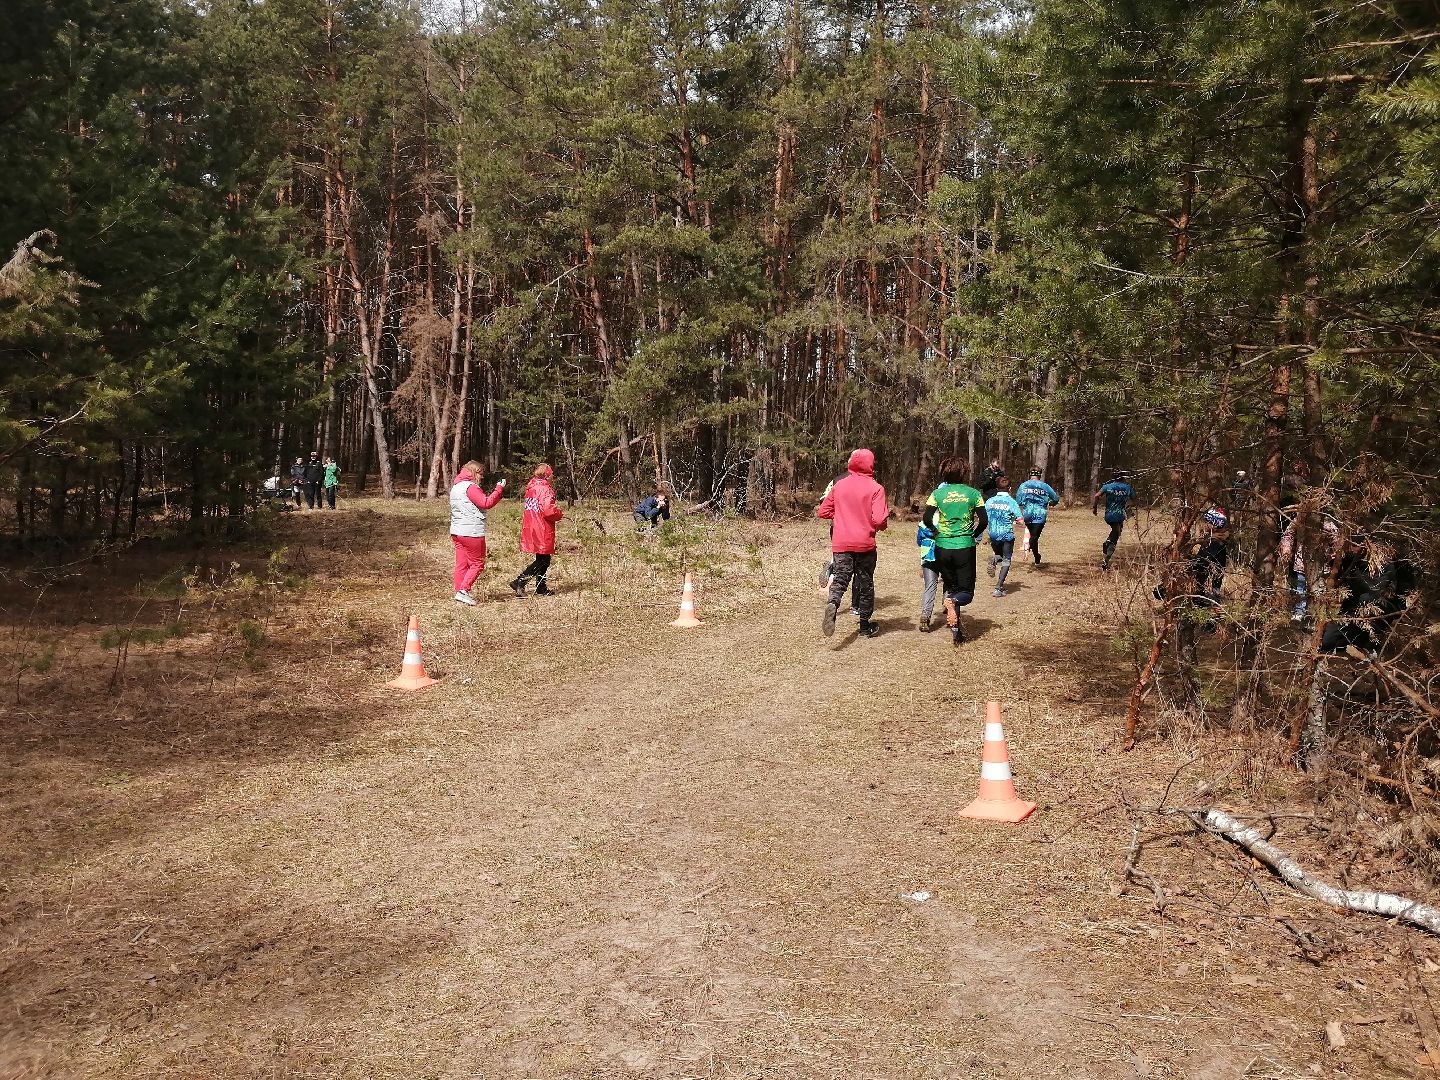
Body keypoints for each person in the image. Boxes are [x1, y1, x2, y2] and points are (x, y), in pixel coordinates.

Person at [816, 448, 889, 639]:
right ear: (870, 465)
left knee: (841, 578)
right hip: (865, 544)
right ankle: (865, 626)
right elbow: (880, 520)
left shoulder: (839, 485)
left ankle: (832, 603)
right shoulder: (876, 488)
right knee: (865, 583)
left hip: (841, 543)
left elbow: (823, 512)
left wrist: (842, 516)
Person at [923, 458, 988, 646]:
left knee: (951, 589)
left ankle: (957, 634)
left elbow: (927, 517)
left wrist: (936, 532)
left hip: (942, 547)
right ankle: (951, 606)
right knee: (965, 593)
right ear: (964, 473)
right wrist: (973, 535)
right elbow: (983, 521)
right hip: (964, 547)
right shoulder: (973, 493)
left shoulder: (937, 493)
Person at [1319, 534, 1418, 657]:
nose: (1351, 549)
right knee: (1327, 642)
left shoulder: (1383, 561)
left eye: (1355, 546)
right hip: (1351, 610)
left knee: (1366, 600)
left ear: (1366, 546)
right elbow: (1337, 584)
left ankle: (1371, 646)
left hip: (1380, 609)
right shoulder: (1351, 560)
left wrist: (1354, 569)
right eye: (1350, 545)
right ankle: (1351, 643)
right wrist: (1336, 564)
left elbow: (1375, 590)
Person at [449, 460, 505, 605]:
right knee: (477, 563)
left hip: (457, 531)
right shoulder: (470, 487)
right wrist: (499, 489)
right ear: (474, 472)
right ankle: (464, 591)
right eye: (480, 474)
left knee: (461, 565)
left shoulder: (456, 486)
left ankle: (459, 594)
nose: (481, 477)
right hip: (471, 531)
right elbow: (486, 503)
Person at [511, 463, 564, 596]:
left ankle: (541, 587)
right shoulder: (545, 489)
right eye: (551, 474)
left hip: (531, 526)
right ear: (547, 475)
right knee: (543, 560)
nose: (552, 476)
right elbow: (548, 511)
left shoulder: (531, 487)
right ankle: (520, 581)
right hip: (542, 527)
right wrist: (559, 514)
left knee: (542, 557)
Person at [1279, 512, 1339, 624]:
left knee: (1318, 590)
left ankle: (1315, 615)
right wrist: (1286, 548)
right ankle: (1299, 612)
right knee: (1301, 590)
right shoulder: (1300, 519)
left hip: (1321, 564)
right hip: (1301, 563)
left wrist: (1333, 554)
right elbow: (1288, 534)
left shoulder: (1328, 522)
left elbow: (1336, 541)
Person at [984, 476, 1025, 598]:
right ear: (1010, 489)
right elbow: (1021, 521)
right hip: (1006, 534)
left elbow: (983, 516)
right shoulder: (1011, 502)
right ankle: (998, 588)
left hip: (993, 534)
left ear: (997, 488)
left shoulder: (990, 501)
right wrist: (1015, 520)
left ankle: (995, 559)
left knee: (999, 556)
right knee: (1006, 560)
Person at [1015, 468, 1060, 565]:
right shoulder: (1044, 486)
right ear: (1039, 476)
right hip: (1040, 515)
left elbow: (1018, 501)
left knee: (1033, 537)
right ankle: (1033, 552)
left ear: (1030, 476)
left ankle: (1036, 557)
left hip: (1027, 514)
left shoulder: (1023, 486)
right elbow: (1056, 498)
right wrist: (1051, 503)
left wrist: (1025, 503)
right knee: (1034, 537)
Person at [1092, 470, 1135, 570]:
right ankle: (1105, 561)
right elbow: (1135, 501)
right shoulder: (1127, 488)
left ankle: (1107, 549)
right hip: (1120, 516)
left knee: (1115, 532)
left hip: (1109, 516)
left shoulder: (1107, 486)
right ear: (1123, 478)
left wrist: (1095, 508)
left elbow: (1097, 495)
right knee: (1115, 537)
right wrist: (1128, 507)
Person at [916, 521, 940, 632]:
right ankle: (949, 607)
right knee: (950, 583)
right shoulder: (947, 518)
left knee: (930, 586)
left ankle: (926, 613)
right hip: (944, 552)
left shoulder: (923, 523)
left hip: (927, 554)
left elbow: (919, 541)